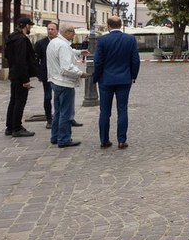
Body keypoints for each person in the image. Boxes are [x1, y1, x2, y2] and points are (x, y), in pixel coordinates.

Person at [93, 16, 140, 150]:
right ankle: (121, 140)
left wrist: (96, 77)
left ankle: (104, 140)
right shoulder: (130, 39)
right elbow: (135, 60)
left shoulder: (102, 40)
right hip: (124, 79)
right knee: (122, 109)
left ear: (108, 25)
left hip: (106, 80)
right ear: (121, 25)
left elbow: (98, 62)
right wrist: (133, 76)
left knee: (104, 111)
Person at [46, 24, 88, 148]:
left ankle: (55, 136)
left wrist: (79, 52)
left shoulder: (54, 42)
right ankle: (64, 139)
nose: (74, 35)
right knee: (66, 112)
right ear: (67, 32)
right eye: (73, 32)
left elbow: (67, 52)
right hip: (64, 83)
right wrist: (81, 73)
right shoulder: (63, 45)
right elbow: (66, 67)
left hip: (55, 81)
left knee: (58, 112)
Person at [4, 17, 40, 137]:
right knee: (20, 101)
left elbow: (8, 56)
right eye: (30, 25)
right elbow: (22, 60)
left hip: (13, 72)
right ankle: (17, 128)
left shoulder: (11, 38)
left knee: (13, 101)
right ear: (25, 25)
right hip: (20, 75)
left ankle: (10, 127)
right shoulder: (22, 40)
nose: (30, 28)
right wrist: (25, 80)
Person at [34, 22, 58, 129]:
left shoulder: (60, 42)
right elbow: (36, 59)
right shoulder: (40, 43)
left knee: (60, 97)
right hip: (46, 74)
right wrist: (39, 73)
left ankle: (62, 117)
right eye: (48, 29)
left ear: (56, 30)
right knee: (48, 97)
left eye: (52, 29)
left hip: (58, 74)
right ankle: (49, 119)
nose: (50, 31)